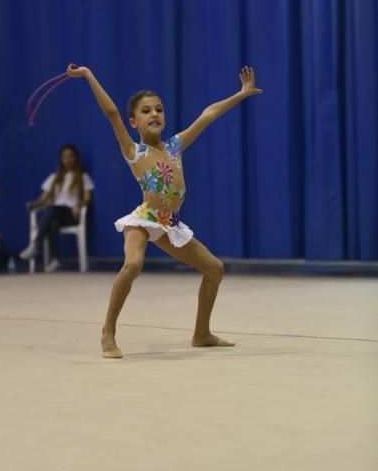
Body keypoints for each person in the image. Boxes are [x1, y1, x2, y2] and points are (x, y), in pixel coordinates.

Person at [66, 63, 262, 357]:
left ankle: (202, 332)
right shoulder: (134, 151)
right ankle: (108, 331)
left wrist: (241, 94)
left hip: (169, 223)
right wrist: (88, 75)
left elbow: (207, 115)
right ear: (134, 122)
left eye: (158, 109)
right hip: (144, 220)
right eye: (146, 111)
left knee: (214, 269)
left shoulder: (174, 146)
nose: (154, 114)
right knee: (132, 265)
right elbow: (111, 113)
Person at [19, 144, 94, 272]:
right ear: (61, 159)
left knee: (51, 210)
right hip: (55, 213)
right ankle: (55, 260)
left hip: (71, 214)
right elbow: (44, 199)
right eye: (65, 157)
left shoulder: (83, 177)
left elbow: (87, 198)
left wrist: (78, 205)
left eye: (71, 156)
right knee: (53, 221)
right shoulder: (54, 178)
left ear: (76, 158)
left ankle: (36, 245)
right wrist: (33, 205)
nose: (68, 160)